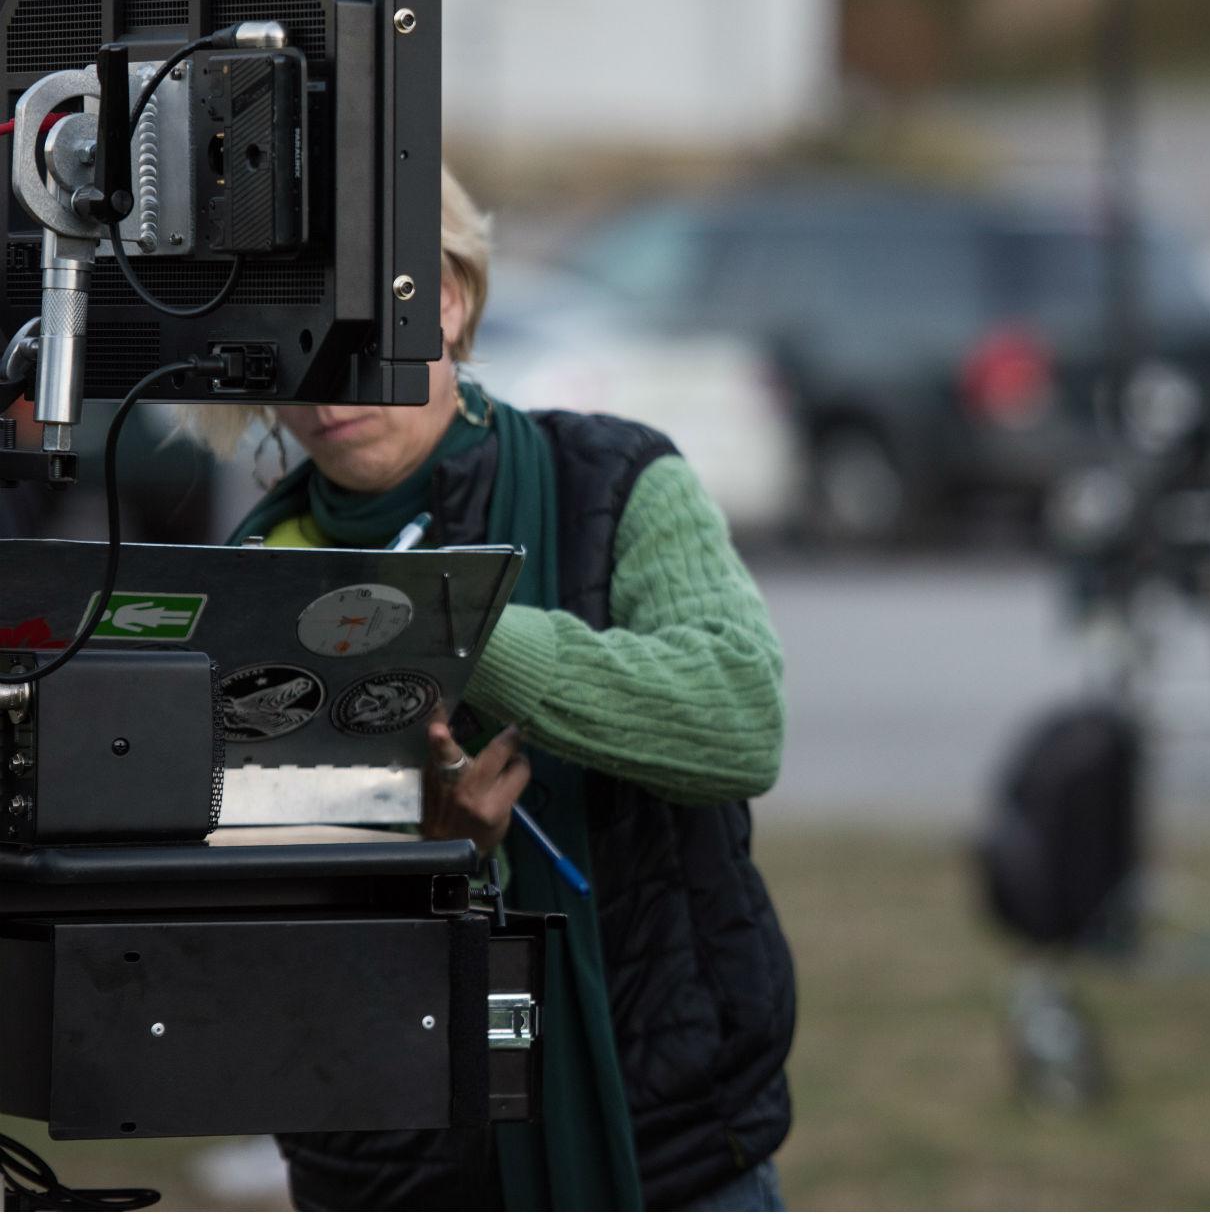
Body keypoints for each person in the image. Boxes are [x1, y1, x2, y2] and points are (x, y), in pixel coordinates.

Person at [189, 169, 795, 1211]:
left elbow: (738, 721)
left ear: (452, 299)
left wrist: (449, 626)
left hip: (674, 1153)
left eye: (359, 331)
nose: (326, 391)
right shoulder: (255, 567)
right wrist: (420, 856)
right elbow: (236, 920)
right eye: (289, 343)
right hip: (386, 1166)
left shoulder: (615, 481)